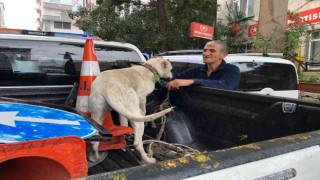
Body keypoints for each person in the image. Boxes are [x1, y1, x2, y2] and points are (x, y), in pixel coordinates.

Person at [166, 40, 240, 90]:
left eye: (212, 51)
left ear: (223, 55)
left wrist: (192, 81)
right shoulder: (196, 70)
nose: (205, 53)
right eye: (204, 50)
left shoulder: (232, 69)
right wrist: (159, 68)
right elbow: (174, 78)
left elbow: (227, 85)